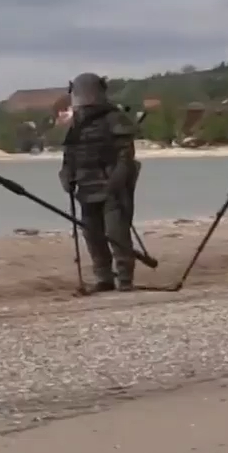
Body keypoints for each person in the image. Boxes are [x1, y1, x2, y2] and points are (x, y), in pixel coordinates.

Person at [57, 73, 140, 291]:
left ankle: (124, 278)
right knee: (92, 233)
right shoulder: (75, 123)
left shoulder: (114, 118)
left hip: (111, 185)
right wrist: (66, 176)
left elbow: (126, 155)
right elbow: (70, 154)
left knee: (116, 232)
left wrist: (118, 179)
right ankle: (104, 277)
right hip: (86, 186)